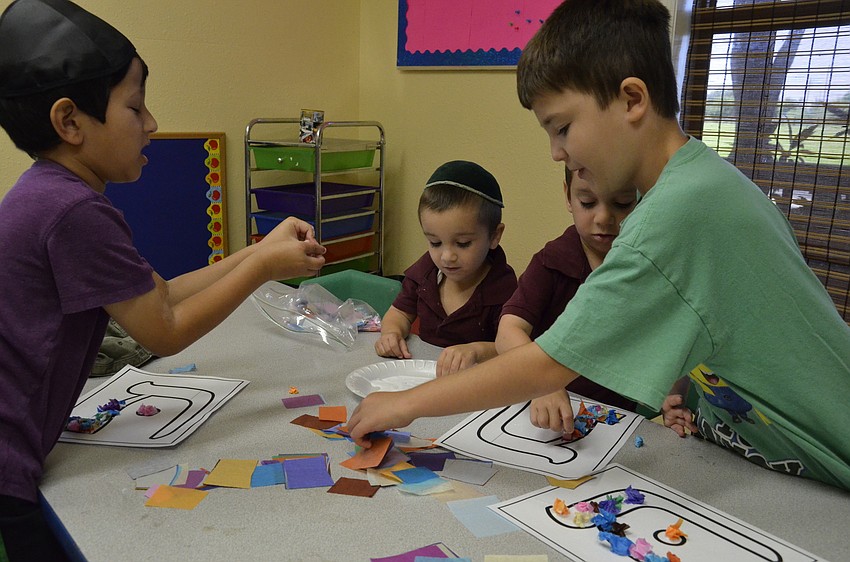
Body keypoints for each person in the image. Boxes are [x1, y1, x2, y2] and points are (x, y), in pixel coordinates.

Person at [349, 0, 850, 492]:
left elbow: (547, 363)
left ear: (633, 100)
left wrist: (405, 402)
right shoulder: (707, 181)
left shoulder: (680, 211)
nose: (556, 153)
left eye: (563, 127)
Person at [0, 1, 326, 560]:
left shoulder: (48, 193)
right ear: (70, 121)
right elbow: (166, 329)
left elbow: (164, 294)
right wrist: (264, 268)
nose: (151, 124)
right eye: (135, 108)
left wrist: (257, 250)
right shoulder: (73, 211)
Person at [496, 167, 638, 433]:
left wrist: (672, 395)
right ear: (568, 196)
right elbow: (507, 332)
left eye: (622, 203)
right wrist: (541, 383)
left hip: (618, 420)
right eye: (587, 202)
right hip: (547, 408)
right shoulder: (551, 263)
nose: (604, 217)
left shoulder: (645, 264)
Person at [375, 160, 517, 377]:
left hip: (477, 386)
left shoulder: (504, 288)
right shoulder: (425, 273)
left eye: (462, 244)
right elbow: (400, 313)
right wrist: (391, 333)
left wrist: (476, 351)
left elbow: (516, 350)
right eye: (435, 242)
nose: (447, 256)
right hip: (422, 378)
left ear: (495, 235)